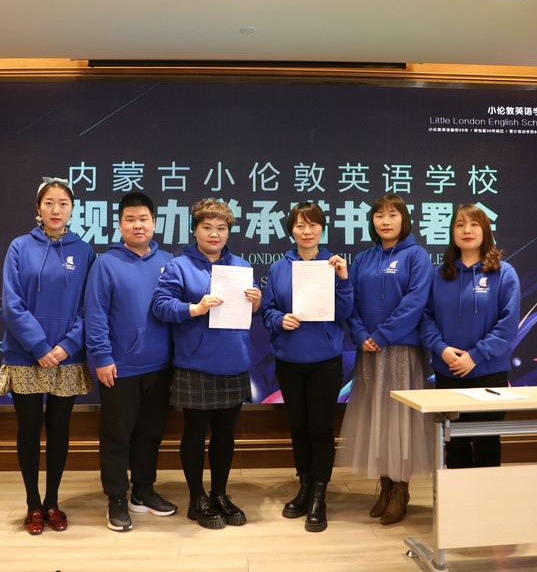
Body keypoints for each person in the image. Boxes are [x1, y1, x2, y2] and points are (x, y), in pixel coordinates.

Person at [150, 198, 262, 530]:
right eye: (207, 227)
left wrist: (256, 303)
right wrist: (195, 309)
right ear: (195, 229)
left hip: (234, 360)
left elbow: (251, 312)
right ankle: (197, 496)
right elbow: (160, 306)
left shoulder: (240, 266)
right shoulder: (179, 266)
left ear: (228, 232)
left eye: (221, 228)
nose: (214, 234)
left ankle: (220, 493)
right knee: (195, 433)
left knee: (225, 434)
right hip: (195, 363)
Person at [0, 177, 95, 535]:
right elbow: (12, 304)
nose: (56, 209)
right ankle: (33, 505)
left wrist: (66, 346)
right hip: (26, 355)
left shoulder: (84, 251)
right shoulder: (20, 247)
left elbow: (89, 306)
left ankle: (53, 502)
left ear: (72, 209)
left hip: (66, 356)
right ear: (38, 207)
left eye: (63, 203)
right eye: (49, 202)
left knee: (59, 430)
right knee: (29, 430)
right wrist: (39, 347)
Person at [335, 193, 434, 525]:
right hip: (369, 350)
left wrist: (383, 335)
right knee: (376, 418)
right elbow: (351, 303)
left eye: (393, 215)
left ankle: (401, 490)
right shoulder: (363, 258)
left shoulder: (417, 255)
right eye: (379, 216)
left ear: (404, 219)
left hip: (401, 350)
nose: (386, 221)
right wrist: (361, 334)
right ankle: (385, 485)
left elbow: (415, 302)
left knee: (399, 420)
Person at [84, 192, 176, 533]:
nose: (138, 225)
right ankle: (116, 498)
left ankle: (143, 491)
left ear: (154, 222)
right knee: (116, 436)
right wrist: (102, 357)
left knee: (150, 434)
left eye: (144, 219)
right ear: (120, 224)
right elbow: (95, 315)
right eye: (130, 219)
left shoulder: (168, 261)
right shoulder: (106, 264)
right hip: (119, 367)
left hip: (161, 366)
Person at [261, 202, 352, 532]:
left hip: (325, 361)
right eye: (300, 225)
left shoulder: (333, 264)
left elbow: (345, 312)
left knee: (321, 428)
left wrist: (343, 280)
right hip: (289, 360)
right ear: (292, 230)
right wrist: (278, 319)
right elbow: (267, 310)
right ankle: (304, 486)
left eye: (313, 224)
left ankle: (319, 494)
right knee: (298, 427)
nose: (307, 231)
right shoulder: (279, 267)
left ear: (322, 229)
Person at [420, 203, 520, 469]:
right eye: (460, 224)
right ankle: (457, 497)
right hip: (448, 371)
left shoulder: (503, 273)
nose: (467, 230)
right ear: (452, 232)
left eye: (474, 224)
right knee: (455, 445)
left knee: (487, 444)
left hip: (489, 372)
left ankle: (488, 497)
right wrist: (441, 349)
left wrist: (475, 356)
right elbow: (426, 319)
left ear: (485, 231)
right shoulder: (439, 274)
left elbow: (508, 325)